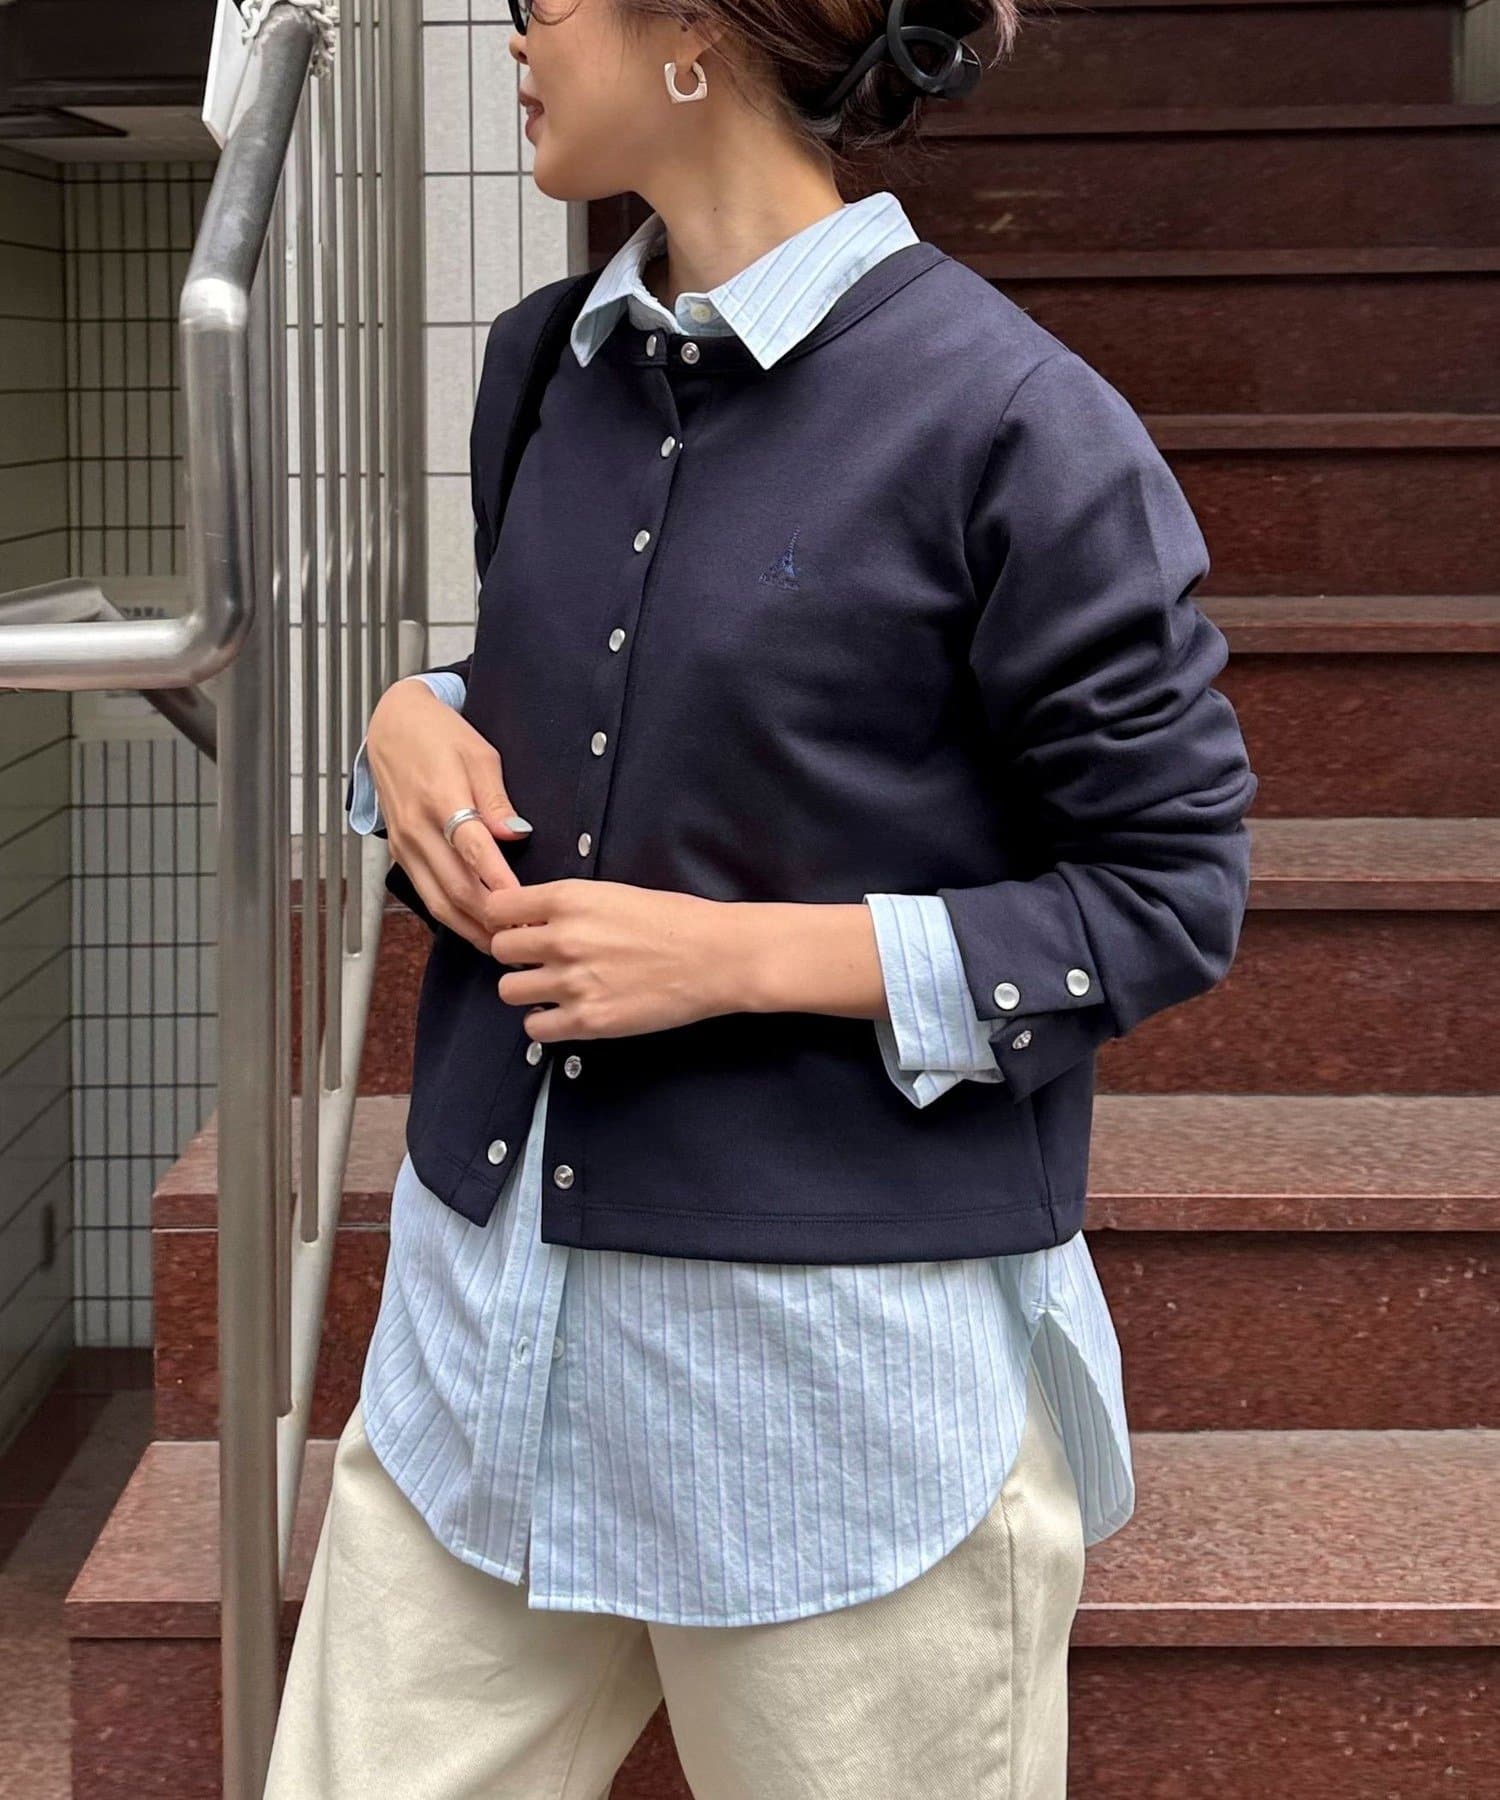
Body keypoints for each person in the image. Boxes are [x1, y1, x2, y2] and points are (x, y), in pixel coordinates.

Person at [264, 0, 1257, 1794]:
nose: (513, 29)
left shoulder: (1014, 420)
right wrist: (414, 720)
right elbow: (639, 704)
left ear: (694, 28)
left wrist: (733, 959)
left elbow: (1168, 889)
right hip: (481, 1359)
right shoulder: (542, 366)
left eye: (545, 1)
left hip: (826, 1408)